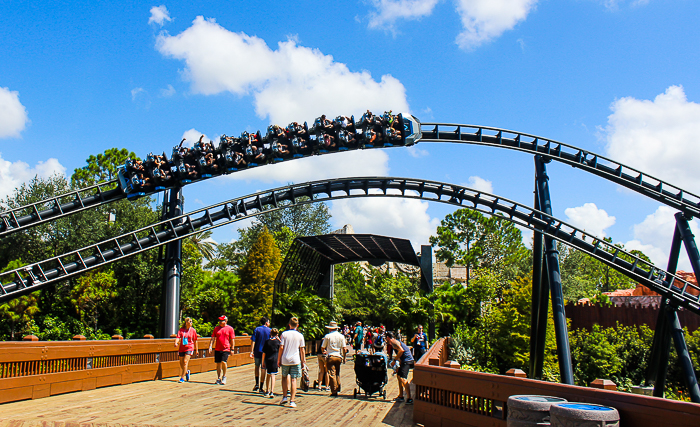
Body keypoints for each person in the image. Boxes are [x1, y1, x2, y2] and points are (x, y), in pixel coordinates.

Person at [278, 317, 306, 408]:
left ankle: (285, 396)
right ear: (297, 325)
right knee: (294, 379)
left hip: (285, 359)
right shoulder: (300, 335)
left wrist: (278, 360)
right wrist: (303, 361)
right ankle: (292, 401)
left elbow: (281, 347)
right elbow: (302, 350)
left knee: (284, 378)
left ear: (289, 325)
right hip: (295, 360)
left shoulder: (284, 334)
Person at [386, 331, 414, 405]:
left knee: (403, 378)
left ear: (388, 337)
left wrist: (394, 360)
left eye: (386, 338)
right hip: (404, 360)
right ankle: (401, 396)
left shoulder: (394, 343)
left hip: (407, 360)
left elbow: (401, 350)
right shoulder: (394, 342)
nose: (386, 340)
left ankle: (409, 398)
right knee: (399, 376)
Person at [208, 315, 235, 385]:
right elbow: (213, 338)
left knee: (224, 362)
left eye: (221, 321)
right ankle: (219, 377)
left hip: (226, 348)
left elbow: (232, 339)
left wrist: (232, 348)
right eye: (219, 320)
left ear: (225, 321)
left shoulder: (230, 329)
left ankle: (224, 376)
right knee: (218, 363)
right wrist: (210, 346)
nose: (220, 322)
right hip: (217, 348)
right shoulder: (216, 329)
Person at [322, 321, 345, 396]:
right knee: (337, 372)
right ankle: (338, 387)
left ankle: (334, 390)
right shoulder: (341, 336)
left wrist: (324, 351)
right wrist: (344, 357)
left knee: (332, 373)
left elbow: (323, 347)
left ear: (330, 329)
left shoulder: (327, 336)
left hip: (331, 356)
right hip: (338, 356)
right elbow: (344, 348)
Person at [250, 316, 271, 392]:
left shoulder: (257, 329)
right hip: (266, 352)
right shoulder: (270, 330)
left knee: (256, 367)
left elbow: (253, 341)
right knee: (263, 368)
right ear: (266, 322)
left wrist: (251, 351)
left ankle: (256, 384)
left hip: (257, 351)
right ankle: (261, 387)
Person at [174, 317, 198, 383]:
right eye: (190, 321)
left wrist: (197, 350)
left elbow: (195, 340)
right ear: (186, 322)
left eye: (191, 321)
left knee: (185, 362)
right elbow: (178, 337)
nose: (191, 323)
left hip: (190, 347)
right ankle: (187, 372)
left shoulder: (193, 330)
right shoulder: (181, 330)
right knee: (181, 363)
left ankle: (182, 377)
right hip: (182, 348)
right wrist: (176, 342)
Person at [262, 328, 281, 398]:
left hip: (268, 359)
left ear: (270, 333)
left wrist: (263, 361)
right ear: (277, 334)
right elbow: (282, 348)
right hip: (275, 360)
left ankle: (267, 390)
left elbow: (264, 353)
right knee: (273, 375)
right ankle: (272, 391)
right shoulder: (277, 342)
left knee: (268, 374)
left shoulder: (267, 342)